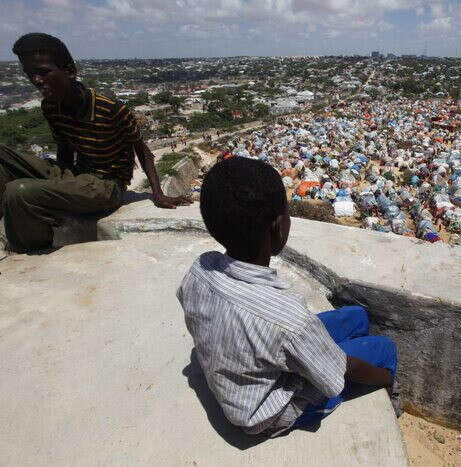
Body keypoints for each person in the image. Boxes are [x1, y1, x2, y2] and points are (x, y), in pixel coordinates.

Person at [177, 157, 398, 436]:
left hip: (251, 365)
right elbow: (337, 374)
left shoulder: (200, 268)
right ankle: (392, 393)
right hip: (268, 412)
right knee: (385, 349)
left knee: (357, 316)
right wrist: (384, 378)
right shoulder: (289, 319)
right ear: (278, 227)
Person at [1, 33, 191, 252]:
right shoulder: (51, 106)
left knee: (18, 191)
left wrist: (158, 195)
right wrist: (61, 185)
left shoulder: (111, 109)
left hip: (107, 185)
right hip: (77, 174)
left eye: (43, 72)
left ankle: (31, 251)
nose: (36, 81)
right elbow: (64, 147)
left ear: (70, 71)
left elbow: (142, 150)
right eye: (30, 75)